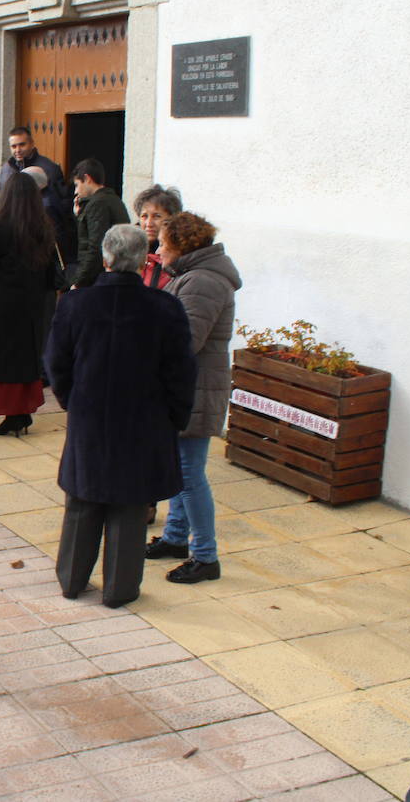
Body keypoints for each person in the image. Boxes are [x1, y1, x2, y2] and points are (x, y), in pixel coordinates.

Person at [46, 224, 196, 608]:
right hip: (143, 420)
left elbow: (55, 363)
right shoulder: (165, 308)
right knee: (129, 507)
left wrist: (73, 401)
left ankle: (72, 580)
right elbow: (181, 372)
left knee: (83, 500)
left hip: (91, 416)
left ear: (106, 257)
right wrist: (174, 419)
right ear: (141, 259)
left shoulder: (76, 304)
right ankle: (119, 589)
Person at [148, 211, 242, 584]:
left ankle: (205, 557)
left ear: (181, 245)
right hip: (190, 385)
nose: (158, 247)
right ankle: (175, 539)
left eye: (164, 241)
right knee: (181, 468)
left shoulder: (202, 281)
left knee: (189, 474)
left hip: (197, 387)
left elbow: (184, 340)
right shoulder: (192, 276)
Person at [0, 173, 62, 437]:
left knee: (4, 358)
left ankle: (13, 414)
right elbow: (50, 272)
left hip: (4, 304)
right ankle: (22, 412)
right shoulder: (42, 227)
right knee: (25, 356)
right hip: (33, 304)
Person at [0, 126, 74, 270]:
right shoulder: (6, 169)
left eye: (22, 144)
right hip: (14, 237)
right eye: (13, 146)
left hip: (41, 237)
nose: (17, 150)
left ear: (32, 144)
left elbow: (60, 205)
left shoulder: (49, 168)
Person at [70, 157, 130, 290]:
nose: (76, 191)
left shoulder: (97, 203)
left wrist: (79, 281)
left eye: (77, 185)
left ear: (87, 179)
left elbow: (95, 246)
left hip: (98, 278)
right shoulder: (113, 199)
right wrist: (79, 215)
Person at [133, 184, 183, 290]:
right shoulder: (131, 253)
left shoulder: (177, 257)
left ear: (172, 219)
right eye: (144, 216)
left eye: (157, 216)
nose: (149, 223)